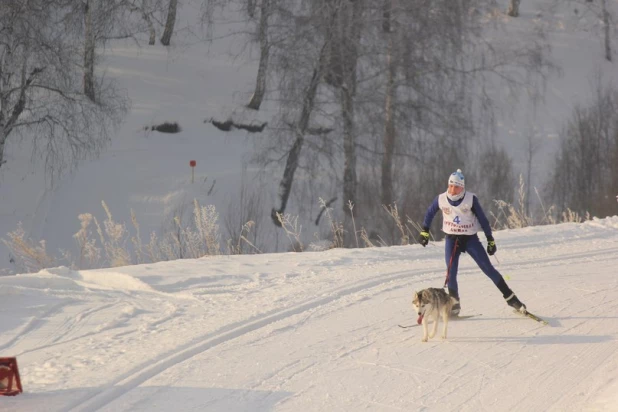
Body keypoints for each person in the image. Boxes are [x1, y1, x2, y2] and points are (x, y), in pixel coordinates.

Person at [417, 169, 526, 316]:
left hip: (469, 239)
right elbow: (429, 213)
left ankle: (512, 300)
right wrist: (424, 231)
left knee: (488, 269)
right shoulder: (441, 199)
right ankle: (454, 306)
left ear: (462, 187)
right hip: (451, 239)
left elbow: (483, 220)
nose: (453, 190)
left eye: (456, 187)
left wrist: (490, 240)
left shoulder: (471, 199)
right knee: (451, 273)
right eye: (450, 186)